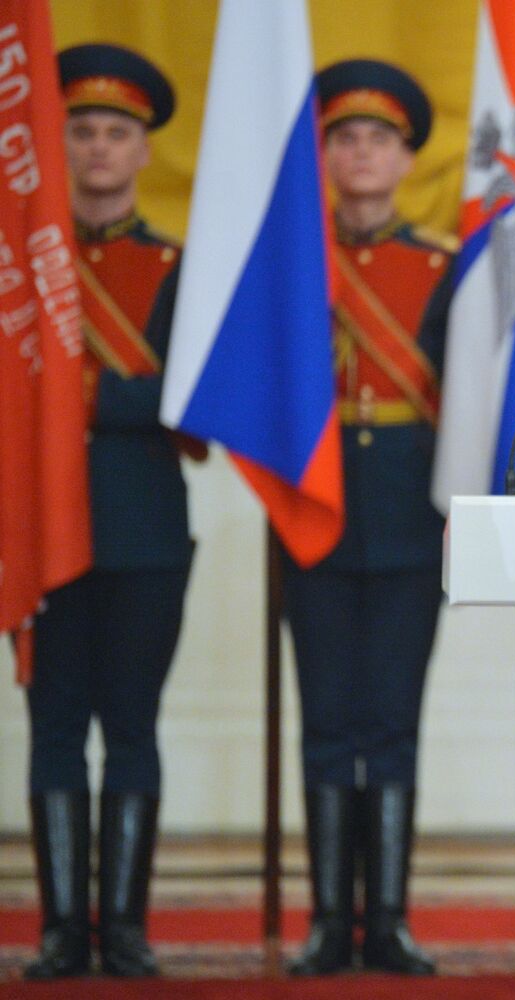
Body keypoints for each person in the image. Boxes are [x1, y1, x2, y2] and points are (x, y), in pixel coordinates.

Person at [25, 43, 194, 980]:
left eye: (115, 133)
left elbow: (189, 402)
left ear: (141, 151)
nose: (96, 148)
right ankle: (59, 931)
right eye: (80, 130)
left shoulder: (176, 266)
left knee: (132, 724)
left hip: (144, 532)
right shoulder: (20, 269)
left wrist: (72, 395)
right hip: (37, 531)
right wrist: (128, 392)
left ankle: (122, 927)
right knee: (53, 727)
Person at [283, 59, 455, 977]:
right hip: (313, 508)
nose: (360, 153)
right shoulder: (290, 268)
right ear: (324, 156)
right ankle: (324, 924)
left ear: (404, 158)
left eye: (378, 140)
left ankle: (385, 919)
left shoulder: (439, 266)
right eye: (344, 138)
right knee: (324, 720)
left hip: (403, 512)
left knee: (390, 718)